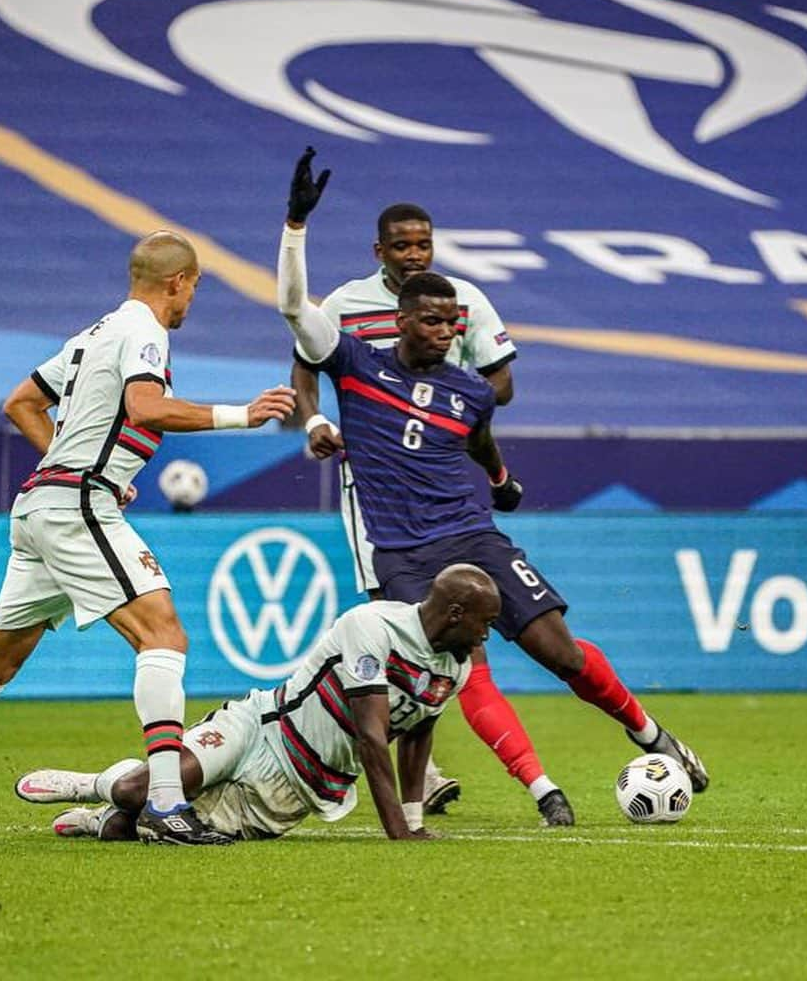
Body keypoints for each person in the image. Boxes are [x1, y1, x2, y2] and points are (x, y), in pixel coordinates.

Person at [277, 153, 710, 820]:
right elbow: (300, 339)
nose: (449, 328)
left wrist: (501, 480)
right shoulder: (352, 341)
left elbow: (486, 421)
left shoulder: (469, 375)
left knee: (555, 649)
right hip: (392, 535)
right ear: (390, 289)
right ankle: (539, 792)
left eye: (453, 323)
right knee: (451, 667)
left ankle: (648, 731)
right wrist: (297, 227)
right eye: (404, 247)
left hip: (469, 529)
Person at [0, 230, 296, 846]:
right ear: (178, 281)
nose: (192, 298)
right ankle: (167, 804)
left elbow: (21, 403)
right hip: (74, 508)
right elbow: (145, 408)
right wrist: (241, 414)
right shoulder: (145, 331)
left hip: (43, 504)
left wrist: (82, 465)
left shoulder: (94, 333)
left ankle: (164, 799)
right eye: (194, 285)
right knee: (162, 632)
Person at [287, 150, 564, 823]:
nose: (416, 254)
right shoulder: (348, 308)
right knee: (404, 624)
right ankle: (413, 768)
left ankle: (420, 766)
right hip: (375, 490)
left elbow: (499, 382)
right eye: (403, 245)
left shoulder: (461, 300)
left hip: (444, 477)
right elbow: (304, 359)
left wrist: (445, 395)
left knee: (461, 630)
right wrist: (317, 419)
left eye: (425, 244)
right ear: (379, 250)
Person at [15, 564, 501, 843]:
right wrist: (400, 832)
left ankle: (105, 817)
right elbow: (373, 736)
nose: (488, 633)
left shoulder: (453, 667)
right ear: (456, 613)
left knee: (131, 827)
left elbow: (417, 737)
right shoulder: (373, 627)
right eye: (486, 621)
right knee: (146, 789)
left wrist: (417, 822)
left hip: (301, 785)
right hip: (261, 727)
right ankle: (95, 785)